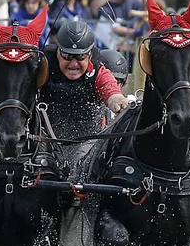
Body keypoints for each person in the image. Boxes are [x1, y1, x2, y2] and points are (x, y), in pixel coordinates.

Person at [38, 20, 128, 152]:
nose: (74, 64)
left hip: (87, 145)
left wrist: (117, 99)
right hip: (46, 143)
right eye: (67, 56)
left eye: (80, 57)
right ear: (58, 52)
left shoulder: (98, 71)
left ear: (89, 55)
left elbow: (110, 87)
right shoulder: (43, 67)